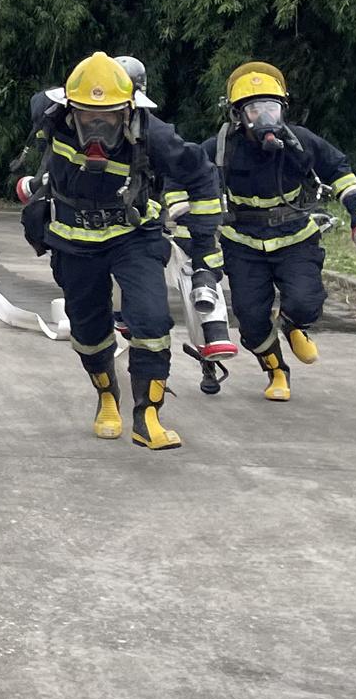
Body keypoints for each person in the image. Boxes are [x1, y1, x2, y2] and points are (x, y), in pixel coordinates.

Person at [14, 52, 228, 449]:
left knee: (151, 321)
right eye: (88, 117)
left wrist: (204, 251)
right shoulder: (51, 116)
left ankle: (147, 416)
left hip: (134, 235)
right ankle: (107, 395)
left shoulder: (154, 134)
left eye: (109, 118)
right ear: (69, 108)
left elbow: (202, 175)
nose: (98, 127)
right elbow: (37, 103)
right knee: (88, 332)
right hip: (73, 241)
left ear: (128, 110)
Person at [200, 62, 356, 401]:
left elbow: (339, 171)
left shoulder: (301, 141)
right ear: (238, 115)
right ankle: (276, 371)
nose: (265, 118)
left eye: (272, 108)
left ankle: (292, 324)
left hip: (295, 237)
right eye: (255, 110)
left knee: (305, 301)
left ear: (283, 109)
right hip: (242, 242)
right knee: (251, 318)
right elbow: (190, 177)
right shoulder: (221, 147)